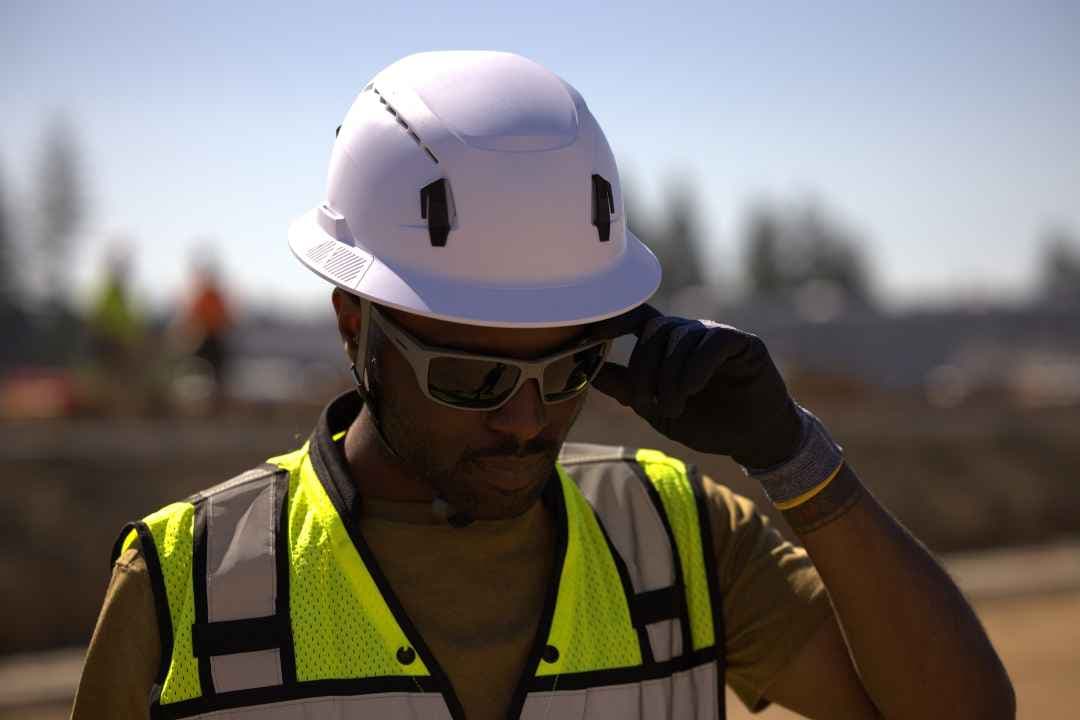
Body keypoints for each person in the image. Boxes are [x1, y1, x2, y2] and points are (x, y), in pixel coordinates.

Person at [72, 52, 1013, 719]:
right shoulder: (188, 592)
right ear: (354, 324)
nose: (526, 421)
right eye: (472, 375)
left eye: (570, 370)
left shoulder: (677, 539)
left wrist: (795, 459)